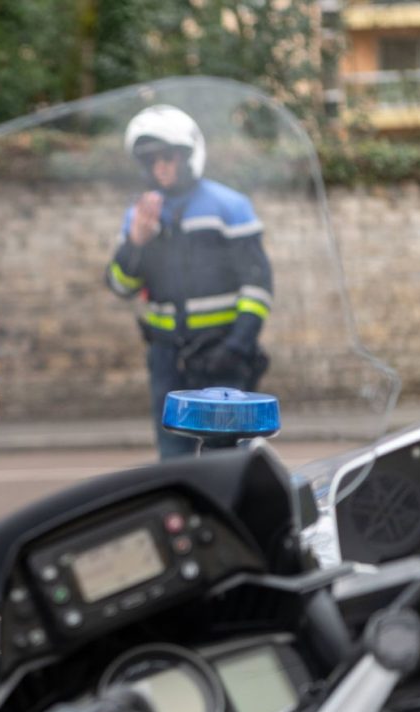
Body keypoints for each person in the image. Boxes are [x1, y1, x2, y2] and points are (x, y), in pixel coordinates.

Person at [105, 104, 272, 460]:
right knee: (173, 461)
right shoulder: (141, 216)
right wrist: (135, 242)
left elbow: (258, 287)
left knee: (229, 461)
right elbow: (120, 286)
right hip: (167, 359)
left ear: (189, 155)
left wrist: (236, 346)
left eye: (168, 157)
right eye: (151, 160)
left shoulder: (229, 206)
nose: (160, 167)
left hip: (223, 356)